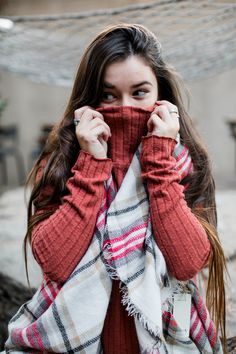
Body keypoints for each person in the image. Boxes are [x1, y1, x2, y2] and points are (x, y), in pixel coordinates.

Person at [5, 24, 227, 354]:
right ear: (89, 100)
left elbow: (187, 262)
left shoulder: (183, 162)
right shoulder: (63, 161)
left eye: (139, 93)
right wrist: (91, 165)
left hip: (165, 337)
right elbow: (55, 263)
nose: (124, 107)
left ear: (160, 96)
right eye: (108, 95)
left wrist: (158, 163)